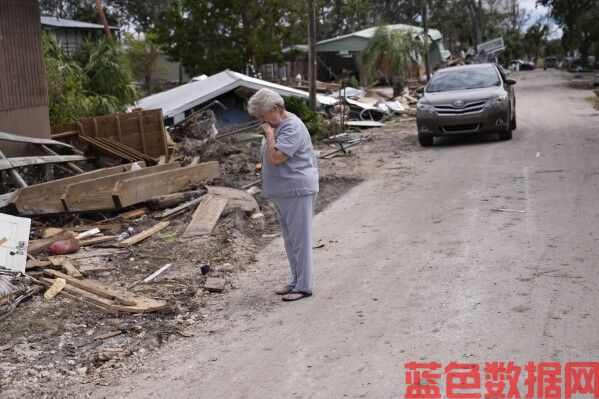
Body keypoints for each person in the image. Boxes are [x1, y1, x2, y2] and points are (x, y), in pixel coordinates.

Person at [247, 88, 319, 301]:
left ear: (276, 109)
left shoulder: (292, 127)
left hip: (297, 190)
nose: (261, 121)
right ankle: (295, 279)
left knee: (301, 239)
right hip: (283, 192)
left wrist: (269, 134)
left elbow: (277, 157)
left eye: (262, 115)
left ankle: (305, 285)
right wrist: (269, 131)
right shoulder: (277, 125)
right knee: (290, 239)